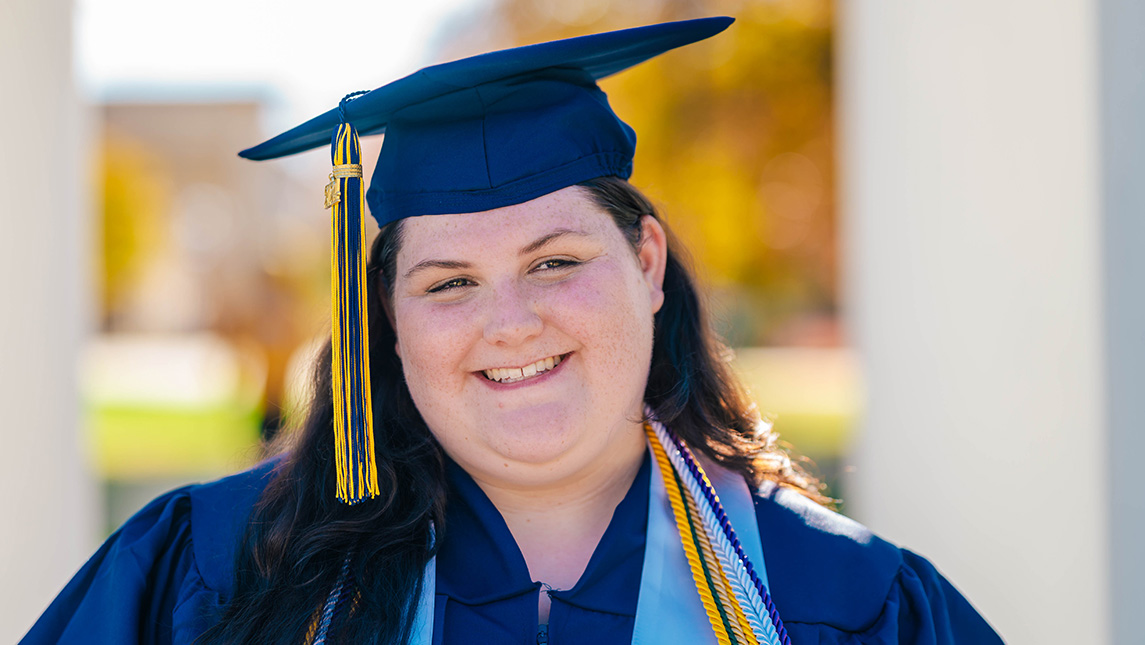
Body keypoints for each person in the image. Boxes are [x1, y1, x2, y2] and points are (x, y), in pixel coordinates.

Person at [23, 17, 1003, 645]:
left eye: (554, 262)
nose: (508, 321)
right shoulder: (212, 571)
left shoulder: (843, 599)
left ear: (647, 263)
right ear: (388, 327)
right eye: (447, 282)